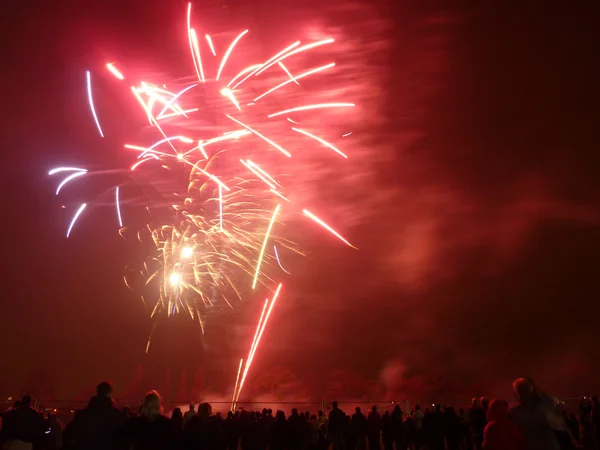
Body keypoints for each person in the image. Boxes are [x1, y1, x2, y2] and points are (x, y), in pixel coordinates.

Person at [62, 381, 125, 450]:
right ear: (110, 393)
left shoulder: (82, 415)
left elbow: (68, 434)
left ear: (98, 392)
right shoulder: (116, 415)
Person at [510, 377, 561, 450]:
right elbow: (559, 427)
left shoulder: (514, 413)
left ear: (515, 393)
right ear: (532, 390)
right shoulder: (546, 406)